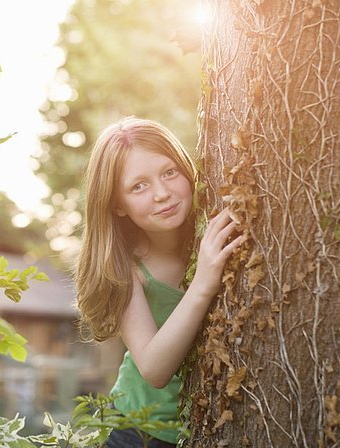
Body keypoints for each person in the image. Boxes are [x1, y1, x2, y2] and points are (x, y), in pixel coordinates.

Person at [75, 117, 244, 447]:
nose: (162, 194)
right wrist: (204, 282)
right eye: (138, 186)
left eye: (169, 172)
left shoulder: (207, 225)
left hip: (211, 426)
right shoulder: (125, 266)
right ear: (117, 205)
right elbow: (153, 368)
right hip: (139, 431)